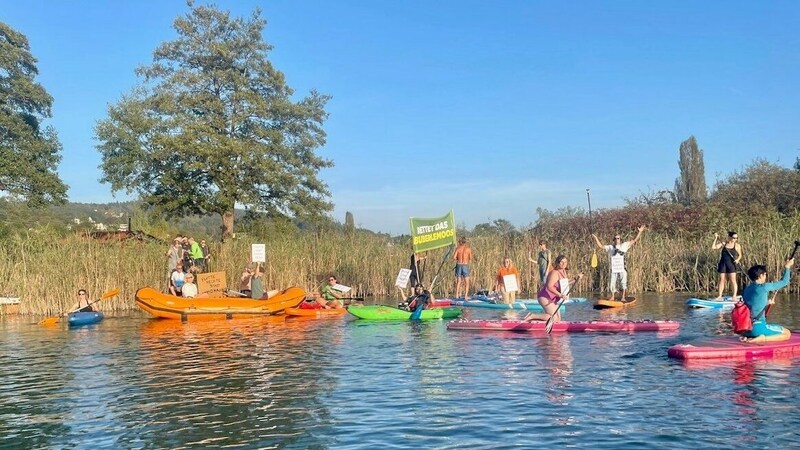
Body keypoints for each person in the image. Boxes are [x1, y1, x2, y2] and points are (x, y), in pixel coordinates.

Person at [739, 257, 794, 343]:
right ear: (761, 276)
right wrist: (787, 267)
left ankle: (749, 337)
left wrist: (767, 303)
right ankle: (762, 338)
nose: (766, 276)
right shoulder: (764, 287)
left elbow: (753, 304)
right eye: (765, 274)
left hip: (745, 329)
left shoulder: (746, 289)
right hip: (757, 328)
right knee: (787, 334)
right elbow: (784, 282)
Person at [592, 225, 646, 301]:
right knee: (612, 283)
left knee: (623, 283)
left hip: (622, 268)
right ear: (613, 240)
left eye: (618, 238)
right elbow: (601, 246)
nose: (617, 240)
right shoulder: (610, 247)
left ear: (620, 239)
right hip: (614, 269)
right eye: (616, 238)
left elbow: (634, 240)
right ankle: (613, 296)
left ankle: (623, 297)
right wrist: (595, 238)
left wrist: (639, 232)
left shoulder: (624, 245)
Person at [525, 255, 583, 322]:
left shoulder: (563, 272)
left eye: (565, 262)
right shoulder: (554, 273)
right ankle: (532, 316)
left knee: (558, 320)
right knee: (554, 318)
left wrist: (576, 279)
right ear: (557, 263)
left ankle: (533, 321)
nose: (564, 264)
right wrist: (560, 295)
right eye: (562, 262)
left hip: (553, 299)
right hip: (545, 297)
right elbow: (549, 286)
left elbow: (565, 284)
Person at [712, 231, 743, 300]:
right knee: (722, 280)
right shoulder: (724, 243)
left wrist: (738, 259)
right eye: (734, 238)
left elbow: (740, 255)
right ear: (729, 237)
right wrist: (716, 238)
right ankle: (719, 296)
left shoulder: (737, 245)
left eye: (736, 238)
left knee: (733, 280)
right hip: (723, 264)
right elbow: (713, 247)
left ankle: (734, 296)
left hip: (731, 264)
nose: (735, 239)